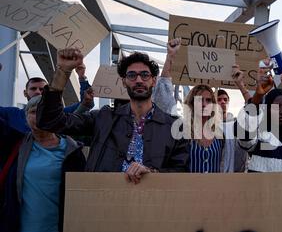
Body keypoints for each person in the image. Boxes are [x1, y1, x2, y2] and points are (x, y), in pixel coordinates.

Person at [37, 39, 189, 184]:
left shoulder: (173, 126)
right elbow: (51, 121)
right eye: (131, 75)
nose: (138, 80)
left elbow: (181, 171)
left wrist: (152, 173)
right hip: (105, 204)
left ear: (153, 81)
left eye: (144, 75)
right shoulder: (104, 118)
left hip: (151, 205)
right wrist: (63, 72)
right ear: (124, 81)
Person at [1, 96, 86, 232]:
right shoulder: (14, 144)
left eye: (44, 111)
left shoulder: (73, 151)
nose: (38, 116)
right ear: (25, 117)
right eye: (33, 111)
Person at [237, 64, 282, 172]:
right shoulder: (260, 136)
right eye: (276, 107)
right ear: (267, 111)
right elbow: (244, 137)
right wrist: (258, 96)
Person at [0, 66, 93, 134]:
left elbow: (86, 103)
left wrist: (82, 77)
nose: (37, 92)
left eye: (42, 89)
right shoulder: (11, 114)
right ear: (25, 93)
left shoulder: (59, 115)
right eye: (33, 89)